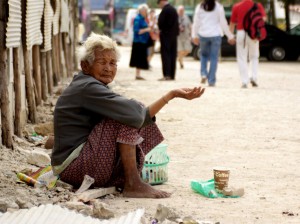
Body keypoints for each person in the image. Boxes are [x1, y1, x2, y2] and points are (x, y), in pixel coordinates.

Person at [51, 33, 205, 199]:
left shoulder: (89, 84)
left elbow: (141, 116)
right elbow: (134, 114)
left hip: (76, 165)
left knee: (129, 112)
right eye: (102, 62)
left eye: (112, 63)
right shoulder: (87, 87)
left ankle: (131, 180)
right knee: (125, 115)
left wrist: (172, 95)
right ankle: (132, 183)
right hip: (73, 168)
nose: (108, 68)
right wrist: (157, 101)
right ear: (85, 66)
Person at [192, 0, 235, 87]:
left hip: (203, 34)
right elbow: (223, 23)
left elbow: (196, 23)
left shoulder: (200, 7)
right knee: (214, 57)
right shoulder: (219, 7)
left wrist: (194, 35)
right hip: (215, 35)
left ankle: (203, 73)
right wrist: (230, 36)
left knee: (203, 55)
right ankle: (211, 80)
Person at [229, 0, 266, 88]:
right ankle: (254, 77)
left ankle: (244, 81)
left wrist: (230, 36)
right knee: (254, 56)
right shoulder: (258, 5)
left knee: (242, 57)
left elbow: (232, 23)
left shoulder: (237, 6)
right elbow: (263, 19)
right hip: (253, 33)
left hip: (241, 33)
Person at [157, 0, 179, 81]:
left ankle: (167, 74)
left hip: (166, 35)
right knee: (173, 55)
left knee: (166, 55)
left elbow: (161, 23)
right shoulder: (173, 9)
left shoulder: (165, 10)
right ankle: (172, 75)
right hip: (174, 36)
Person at [129, 4, 151, 80]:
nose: (146, 12)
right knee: (138, 58)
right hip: (138, 42)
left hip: (143, 41)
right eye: (146, 11)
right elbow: (136, 31)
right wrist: (147, 29)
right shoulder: (137, 19)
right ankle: (137, 74)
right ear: (142, 11)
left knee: (141, 58)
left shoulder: (143, 19)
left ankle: (138, 74)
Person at [177, 5, 192, 69]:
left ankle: (179, 58)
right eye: (180, 10)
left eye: (182, 10)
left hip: (186, 36)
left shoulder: (186, 17)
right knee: (180, 50)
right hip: (178, 37)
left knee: (188, 50)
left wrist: (191, 34)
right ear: (178, 11)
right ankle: (181, 63)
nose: (181, 12)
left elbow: (190, 26)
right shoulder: (175, 17)